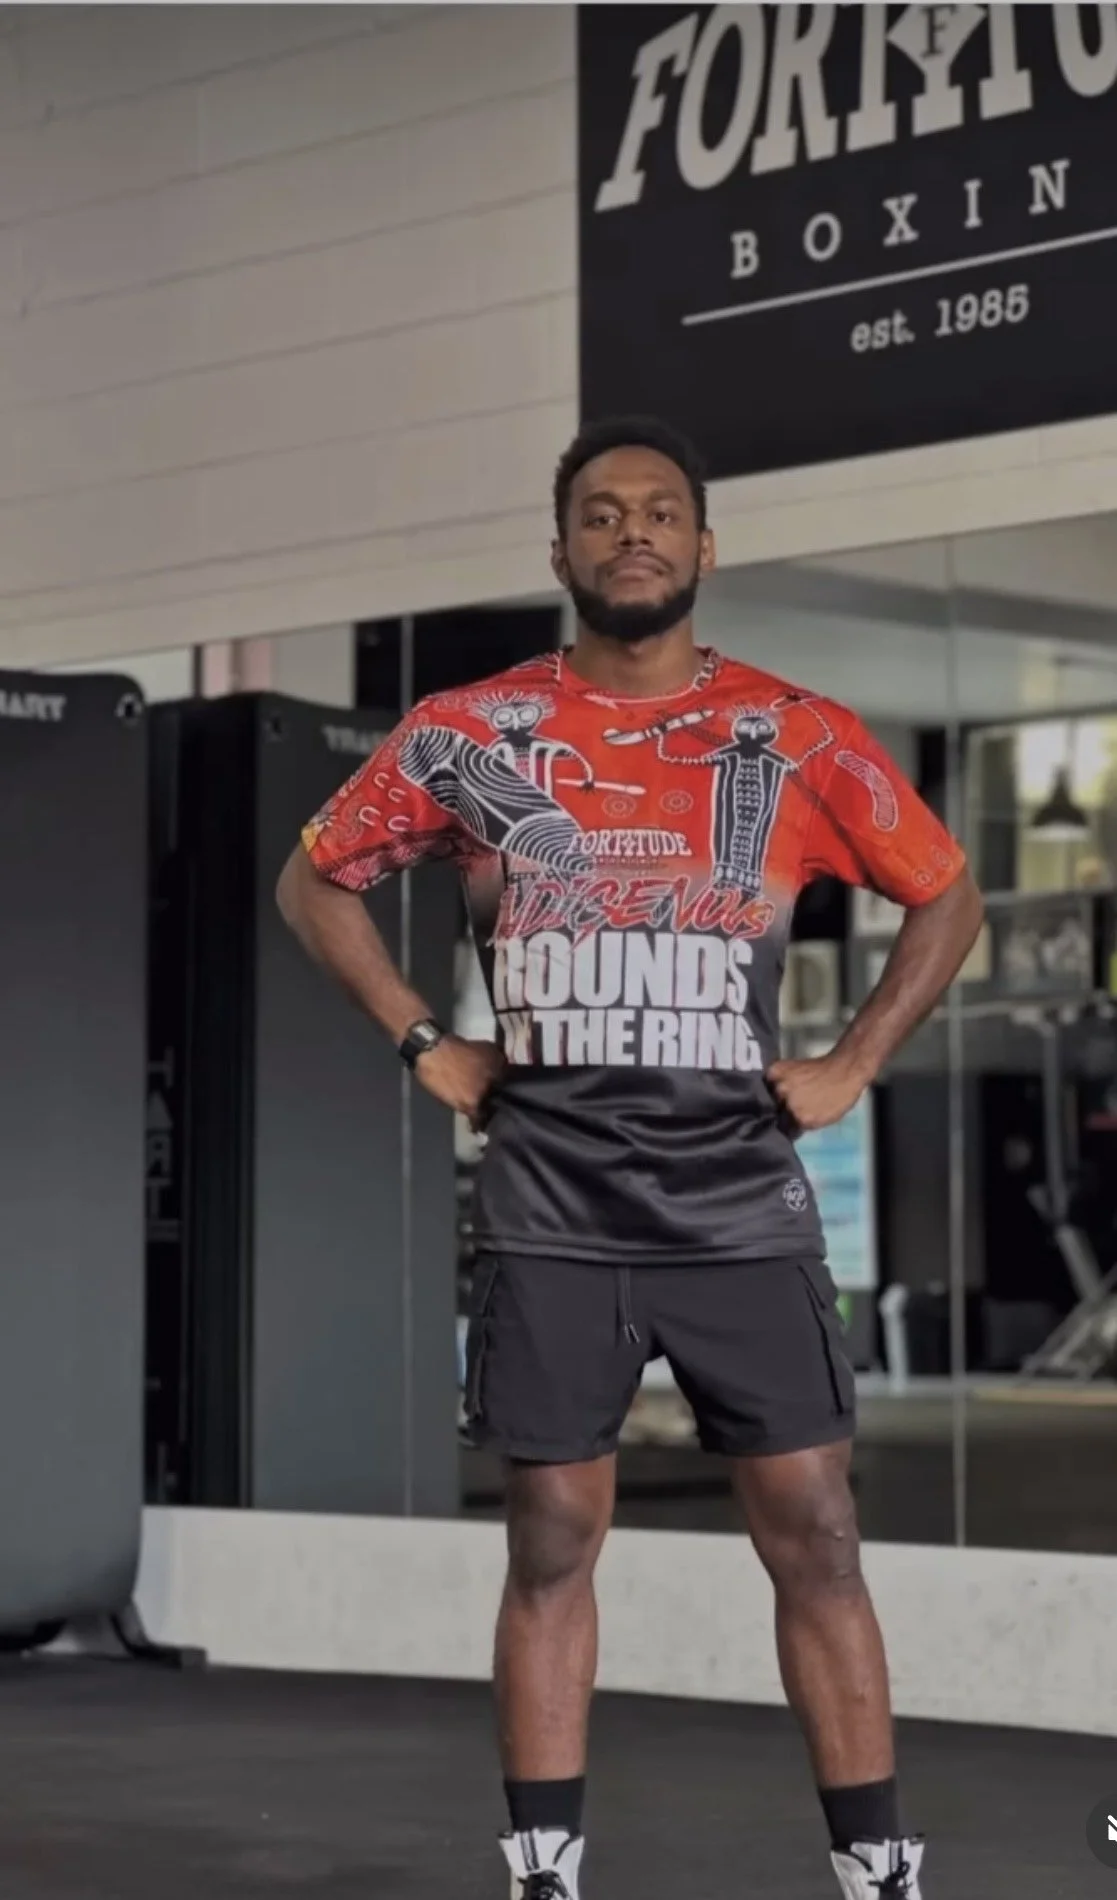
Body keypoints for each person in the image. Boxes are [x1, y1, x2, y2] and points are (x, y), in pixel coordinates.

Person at [277, 416, 984, 1900]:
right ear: (562, 551)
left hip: (739, 1202)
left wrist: (853, 1060)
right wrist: (426, 1041)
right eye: (601, 515)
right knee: (551, 1534)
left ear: (705, 546)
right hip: (552, 1200)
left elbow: (947, 893)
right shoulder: (471, 734)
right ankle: (544, 1867)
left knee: (820, 1534)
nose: (633, 533)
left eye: (661, 511)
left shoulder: (795, 732)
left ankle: (878, 1868)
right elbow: (315, 879)